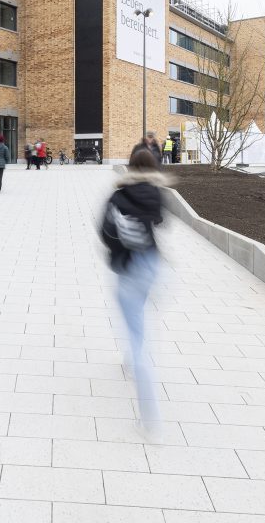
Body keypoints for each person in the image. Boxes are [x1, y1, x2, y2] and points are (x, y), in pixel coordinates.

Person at [100, 148, 167, 432]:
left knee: (137, 335)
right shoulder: (157, 194)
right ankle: (130, 359)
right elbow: (160, 221)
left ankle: (151, 421)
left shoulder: (118, 196)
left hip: (128, 266)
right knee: (137, 316)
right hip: (151, 264)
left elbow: (104, 232)